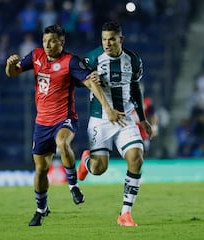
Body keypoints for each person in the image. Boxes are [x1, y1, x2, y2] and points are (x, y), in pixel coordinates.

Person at [5, 24, 123, 227]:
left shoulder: (70, 62)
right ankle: (41, 209)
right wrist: (10, 64)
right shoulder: (36, 56)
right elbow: (13, 73)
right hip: (42, 122)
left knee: (62, 142)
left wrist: (108, 108)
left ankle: (73, 186)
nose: (48, 45)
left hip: (65, 118)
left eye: (52, 41)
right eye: (45, 41)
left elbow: (91, 83)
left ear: (62, 42)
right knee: (41, 169)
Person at [77, 21, 154, 227]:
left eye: (111, 39)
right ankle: (86, 162)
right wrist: (88, 78)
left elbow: (136, 88)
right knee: (99, 168)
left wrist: (143, 118)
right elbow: (76, 79)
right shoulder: (93, 57)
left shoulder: (133, 60)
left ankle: (125, 214)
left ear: (121, 39)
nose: (107, 43)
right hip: (100, 120)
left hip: (125, 118)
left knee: (136, 158)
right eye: (104, 39)